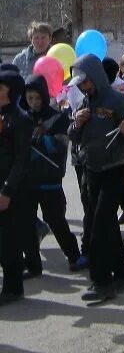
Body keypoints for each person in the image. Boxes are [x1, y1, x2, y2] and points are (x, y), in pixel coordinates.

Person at [67, 54, 124, 304]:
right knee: (104, 223)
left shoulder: (116, 99)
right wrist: (76, 124)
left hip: (114, 167)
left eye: (84, 82)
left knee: (99, 226)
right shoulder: (85, 102)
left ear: (95, 76)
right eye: (79, 84)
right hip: (91, 168)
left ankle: (102, 281)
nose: (82, 87)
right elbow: (73, 137)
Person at [21, 75, 85, 275]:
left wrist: (41, 140)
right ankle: (33, 264)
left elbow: (60, 146)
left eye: (37, 98)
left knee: (56, 220)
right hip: (28, 180)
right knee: (27, 223)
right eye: (30, 98)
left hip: (50, 179)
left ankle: (75, 256)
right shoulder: (24, 117)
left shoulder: (57, 117)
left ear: (44, 96)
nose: (33, 103)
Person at [0, 70, 33, 305]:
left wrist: (7, 190)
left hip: (11, 188)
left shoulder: (21, 119)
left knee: (8, 238)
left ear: (10, 92)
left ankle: (13, 288)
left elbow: (21, 159)